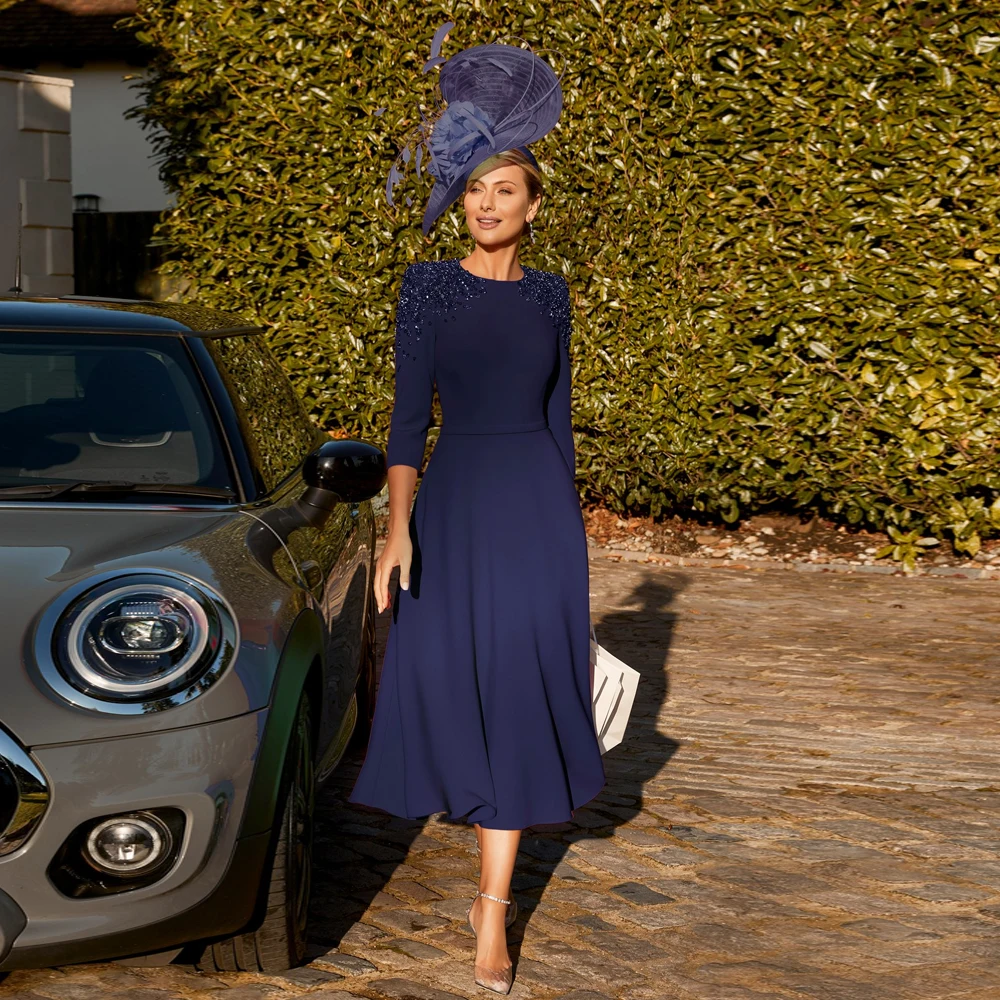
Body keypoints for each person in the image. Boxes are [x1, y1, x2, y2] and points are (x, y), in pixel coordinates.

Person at [349, 28, 605, 995]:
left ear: (534, 208)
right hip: (452, 509)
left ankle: (491, 912)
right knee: (462, 682)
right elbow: (409, 418)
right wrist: (396, 527)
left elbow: (559, 419)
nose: (486, 206)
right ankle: (475, 856)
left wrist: (568, 533)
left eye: (505, 192)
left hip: (536, 508)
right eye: (474, 192)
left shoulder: (551, 300)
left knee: (527, 687)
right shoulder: (426, 291)